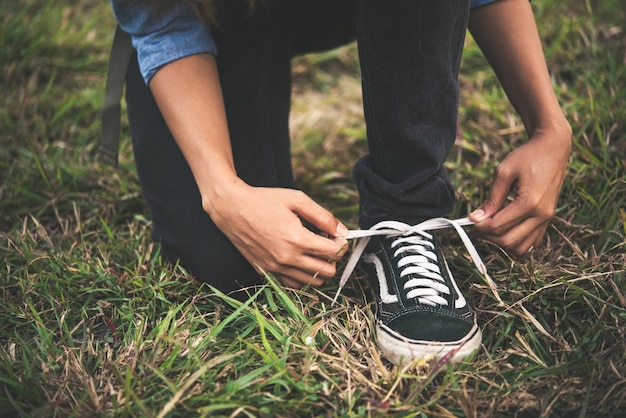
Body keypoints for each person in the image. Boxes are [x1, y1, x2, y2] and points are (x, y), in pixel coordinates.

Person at [108, 0, 571, 365]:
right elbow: (162, 24)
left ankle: (404, 212)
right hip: (213, 13)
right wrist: (222, 190)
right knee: (232, 268)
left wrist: (549, 127)